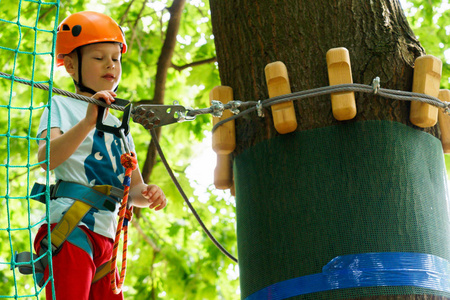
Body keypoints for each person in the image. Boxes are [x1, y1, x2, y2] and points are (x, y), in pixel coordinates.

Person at [33, 11, 167, 299]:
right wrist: (87, 122)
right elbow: (46, 159)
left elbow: (134, 190)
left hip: (108, 240)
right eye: (98, 57)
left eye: (115, 58)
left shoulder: (120, 122)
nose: (110, 64)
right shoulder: (61, 105)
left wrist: (149, 194)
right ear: (70, 65)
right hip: (71, 228)